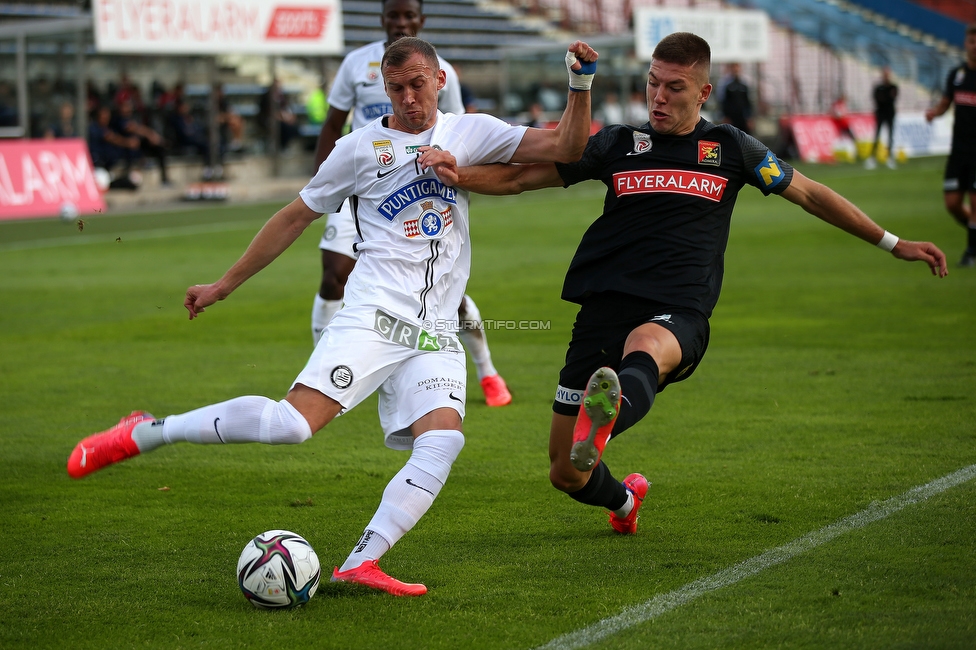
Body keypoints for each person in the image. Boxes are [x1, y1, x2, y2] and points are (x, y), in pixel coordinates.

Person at [67, 37, 599, 596]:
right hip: (374, 314)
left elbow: (566, 145)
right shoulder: (359, 148)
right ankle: (149, 431)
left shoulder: (472, 131)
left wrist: (580, 83)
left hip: (435, 328)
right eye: (396, 88)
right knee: (291, 425)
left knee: (443, 440)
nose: (408, 97)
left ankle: (359, 562)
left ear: (440, 79)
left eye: (418, 84)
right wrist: (225, 284)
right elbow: (295, 216)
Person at [431, 32, 948, 537]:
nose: (658, 96)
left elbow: (810, 194)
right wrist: (461, 175)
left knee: (645, 347)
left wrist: (893, 243)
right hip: (602, 308)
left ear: (703, 92)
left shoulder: (730, 148)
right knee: (565, 471)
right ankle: (625, 498)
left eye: (674, 87)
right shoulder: (618, 144)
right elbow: (523, 177)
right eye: (653, 83)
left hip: (678, 309)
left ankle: (606, 415)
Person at [311, 0, 513, 407]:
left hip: (422, 189)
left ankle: (487, 371)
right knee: (333, 273)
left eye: (408, 16)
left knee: (443, 293)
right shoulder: (356, 64)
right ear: (382, 19)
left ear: (421, 21)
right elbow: (333, 123)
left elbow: (461, 129)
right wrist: (323, 184)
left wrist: (463, 181)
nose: (400, 22)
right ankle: (326, 365)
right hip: (365, 185)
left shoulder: (442, 71)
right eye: (393, 16)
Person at [926, 23, 976, 267]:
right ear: (966, 44)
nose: (975, 47)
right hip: (959, 151)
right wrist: (934, 113)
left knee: (975, 203)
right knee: (953, 204)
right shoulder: (957, 75)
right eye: (971, 42)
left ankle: (972, 252)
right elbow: (946, 102)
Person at [112, 98, 170, 187]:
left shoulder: (133, 117)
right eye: (125, 106)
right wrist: (150, 135)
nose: (128, 109)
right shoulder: (117, 119)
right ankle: (127, 180)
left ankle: (164, 179)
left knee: (159, 149)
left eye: (129, 106)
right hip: (124, 147)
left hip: (137, 145)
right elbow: (133, 128)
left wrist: (152, 136)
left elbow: (139, 128)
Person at [866, 67, 898, 170]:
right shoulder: (879, 87)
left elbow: (890, 99)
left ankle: (889, 157)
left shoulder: (893, 87)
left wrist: (884, 99)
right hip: (880, 114)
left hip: (889, 114)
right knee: (877, 135)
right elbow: (877, 99)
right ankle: (872, 158)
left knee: (890, 136)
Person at [717, 62, 753, 134]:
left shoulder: (744, 85)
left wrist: (749, 117)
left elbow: (748, 102)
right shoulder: (726, 85)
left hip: (742, 118)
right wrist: (725, 116)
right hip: (731, 118)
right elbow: (723, 101)